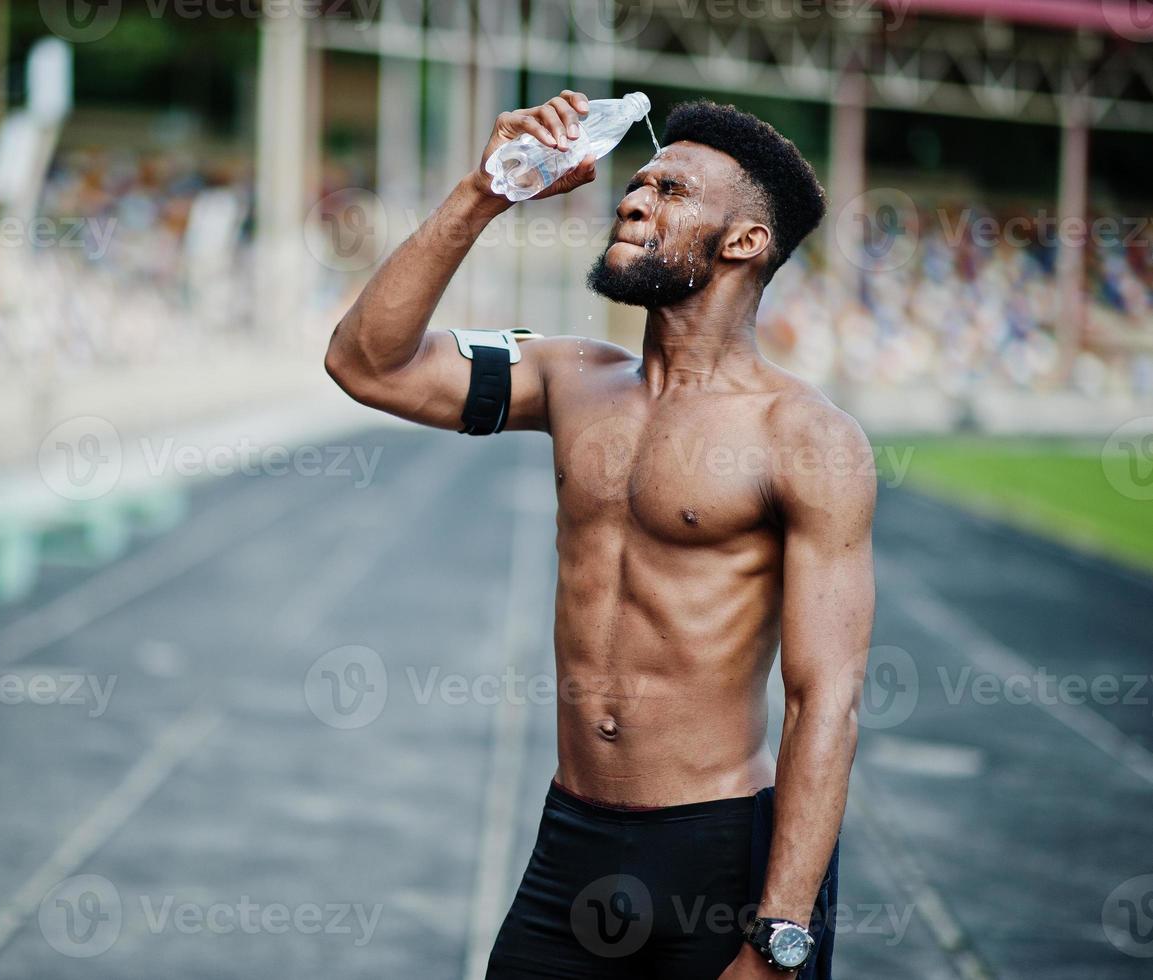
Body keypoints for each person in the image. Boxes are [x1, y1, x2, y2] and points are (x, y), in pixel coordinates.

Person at [324, 92, 875, 979]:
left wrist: (779, 937)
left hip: (719, 858)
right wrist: (485, 192)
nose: (632, 198)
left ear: (742, 242)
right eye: (638, 182)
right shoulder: (574, 379)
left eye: (672, 192)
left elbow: (826, 703)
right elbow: (365, 362)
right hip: (573, 843)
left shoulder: (806, 437)